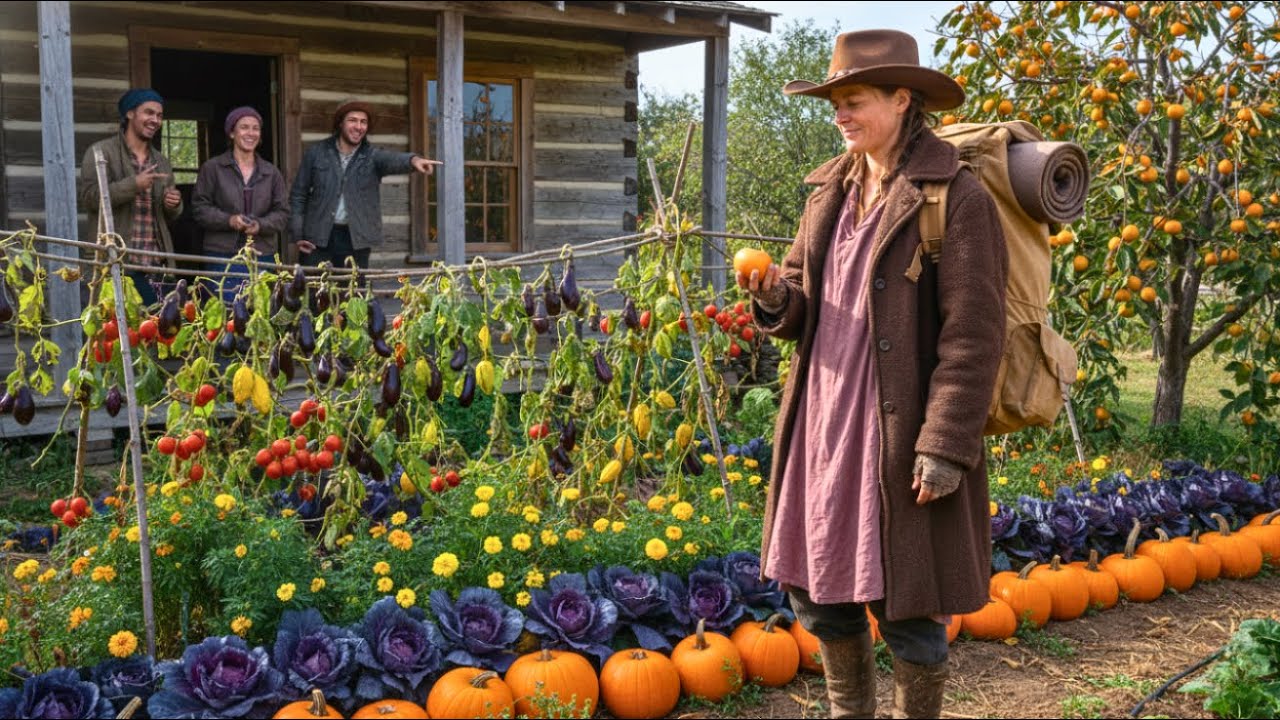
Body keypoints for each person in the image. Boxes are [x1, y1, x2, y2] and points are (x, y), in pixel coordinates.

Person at [738, 30, 1008, 719]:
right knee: (818, 594)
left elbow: (974, 335)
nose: (840, 114)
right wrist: (776, 297)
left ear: (901, 99)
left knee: (908, 606)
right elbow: (804, 299)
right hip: (824, 422)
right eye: (835, 103)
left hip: (897, 430)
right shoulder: (830, 190)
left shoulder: (954, 197)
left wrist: (945, 444)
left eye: (853, 100)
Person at [288, 99, 438, 270]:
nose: (358, 127)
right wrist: (299, 234)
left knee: (353, 287)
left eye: (363, 122)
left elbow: (392, 159)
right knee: (315, 286)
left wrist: (414, 160)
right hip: (317, 238)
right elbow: (298, 195)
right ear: (340, 123)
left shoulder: (372, 156)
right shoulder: (317, 153)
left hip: (355, 240)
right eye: (353, 120)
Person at [79, 88, 183, 307]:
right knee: (113, 327)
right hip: (115, 263)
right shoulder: (101, 152)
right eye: (149, 113)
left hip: (157, 265)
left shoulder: (161, 161)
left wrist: (173, 204)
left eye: (159, 115)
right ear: (129, 113)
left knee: (158, 326)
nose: (155, 120)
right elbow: (89, 198)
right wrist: (134, 184)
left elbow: (170, 216)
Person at [192, 106, 289, 302]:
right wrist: (229, 220)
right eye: (244, 127)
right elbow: (199, 208)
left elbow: (282, 213)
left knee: (260, 311)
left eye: (255, 128)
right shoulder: (213, 168)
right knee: (223, 311)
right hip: (221, 256)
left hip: (262, 255)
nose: (250, 133)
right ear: (231, 133)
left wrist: (260, 225)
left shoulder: (271, 173)